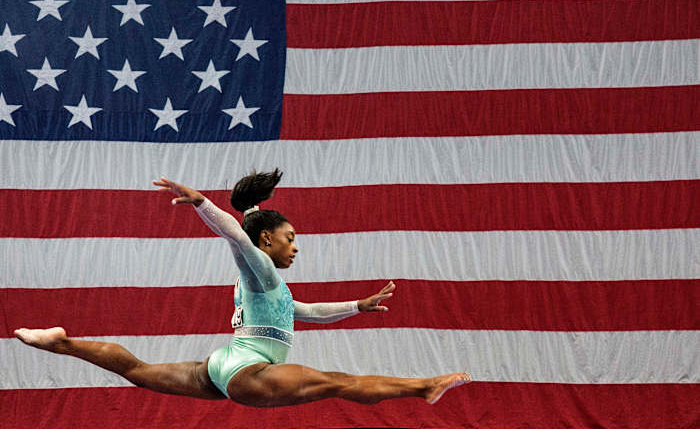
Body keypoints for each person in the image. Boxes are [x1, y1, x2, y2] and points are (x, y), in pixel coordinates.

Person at [14, 169, 470, 406]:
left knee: (137, 369)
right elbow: (235, 234)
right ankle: (422, 387)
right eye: (290, 239)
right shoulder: (260, 268)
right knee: (338, 383)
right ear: (267, 239)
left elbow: (307, 312)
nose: (296, 248)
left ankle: (62, 342)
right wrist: (202, 204)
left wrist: (358, 305)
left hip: (221, 366)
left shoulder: (268, 287)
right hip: (246, 371)